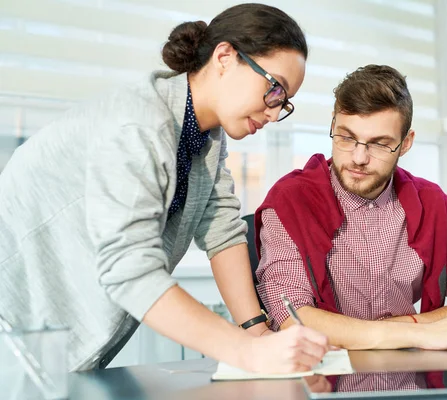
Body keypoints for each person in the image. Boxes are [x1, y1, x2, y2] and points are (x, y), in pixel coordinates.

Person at [0, 3, 328, 372]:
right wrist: (245, 351)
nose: (273, 112)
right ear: (225, 57)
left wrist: (256, 333)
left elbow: (221, 228)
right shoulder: (138, 124)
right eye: (274, 90)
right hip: (15, 333)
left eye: (284, 103)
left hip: (54, 347)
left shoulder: (205, 136)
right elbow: (130, 269)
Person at [255, 65, 447, 350]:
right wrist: (420, 333)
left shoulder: (433, 204)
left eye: (379, 144)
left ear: (405, 143)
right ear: (333, 126)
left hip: (414, 379)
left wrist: (393, 330)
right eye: (346, 137)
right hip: (328, 380)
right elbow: (292, 318)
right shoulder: (290, 201)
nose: (359, 158)